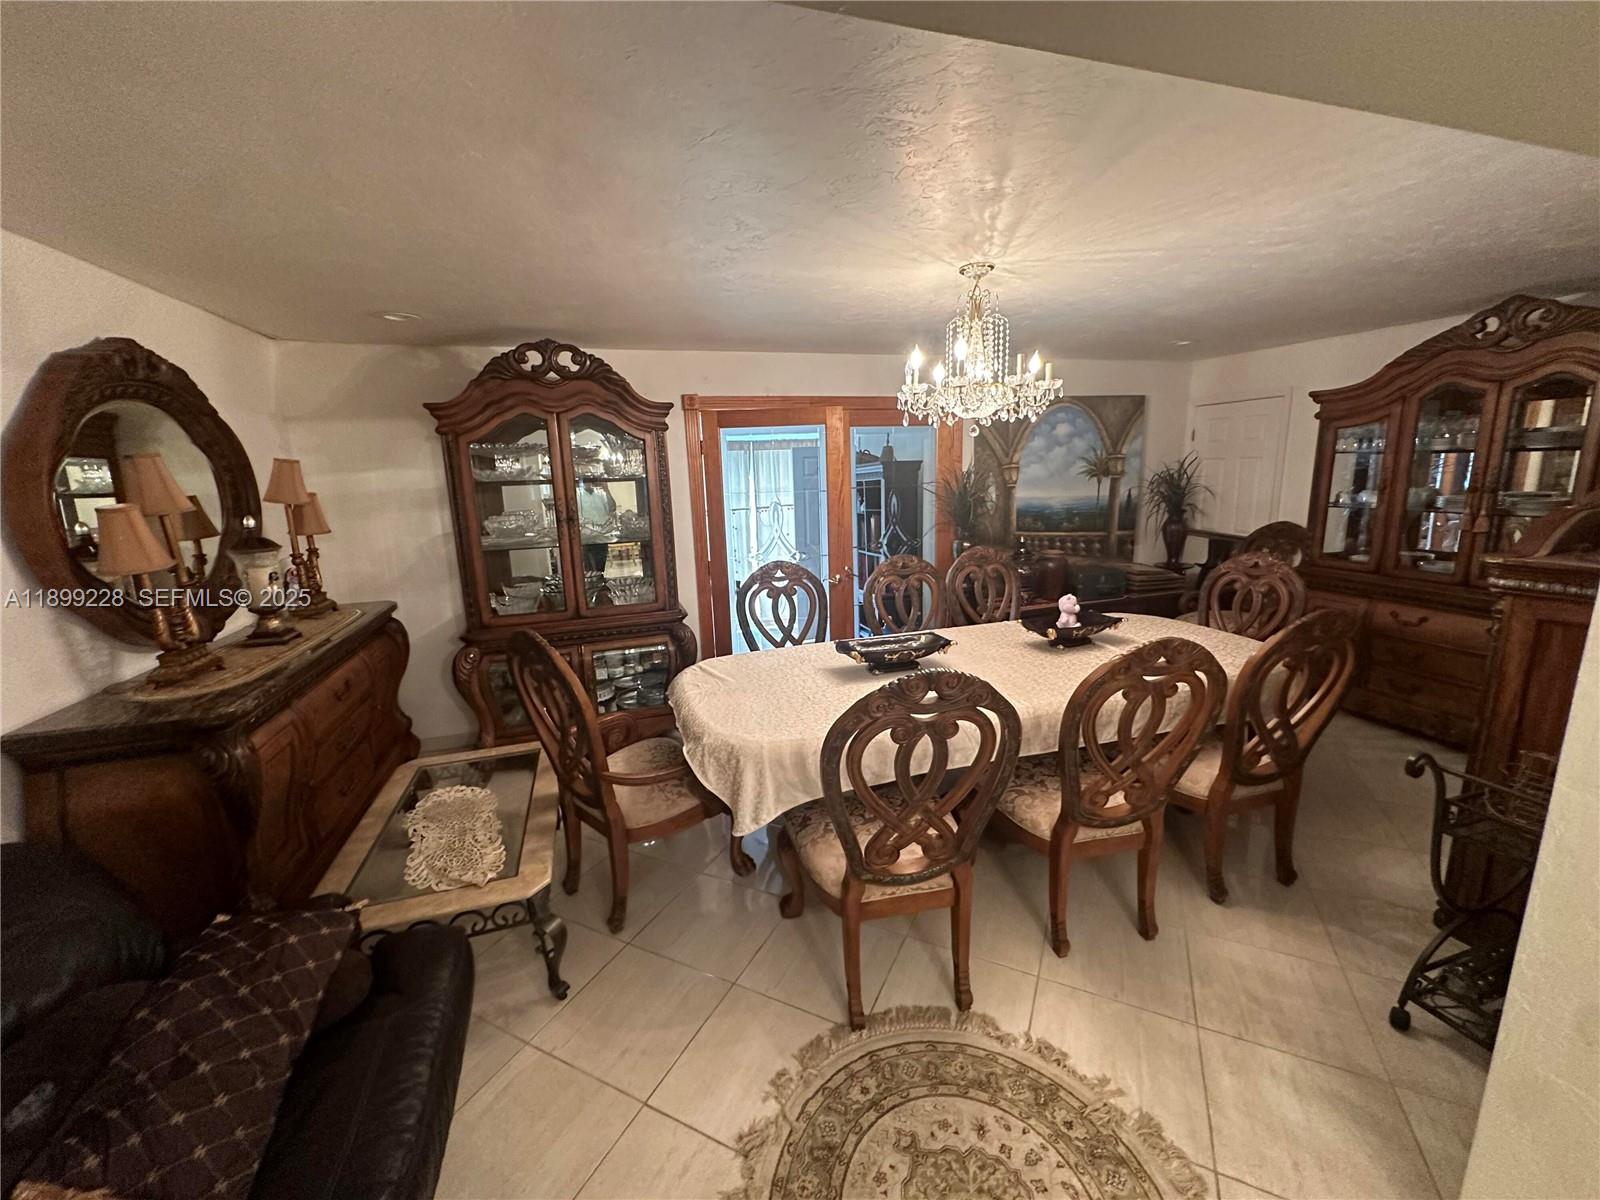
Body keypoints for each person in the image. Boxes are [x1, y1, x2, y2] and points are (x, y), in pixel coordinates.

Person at [578, 479, 617, 573]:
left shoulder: (601, 493)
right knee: (589, 567)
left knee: (600, 565)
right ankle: (593, 579)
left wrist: (606, 489)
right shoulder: (577, 493)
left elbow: (612, 508)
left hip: (602, 534)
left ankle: (599, 579)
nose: (588, 482)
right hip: (586, 535)